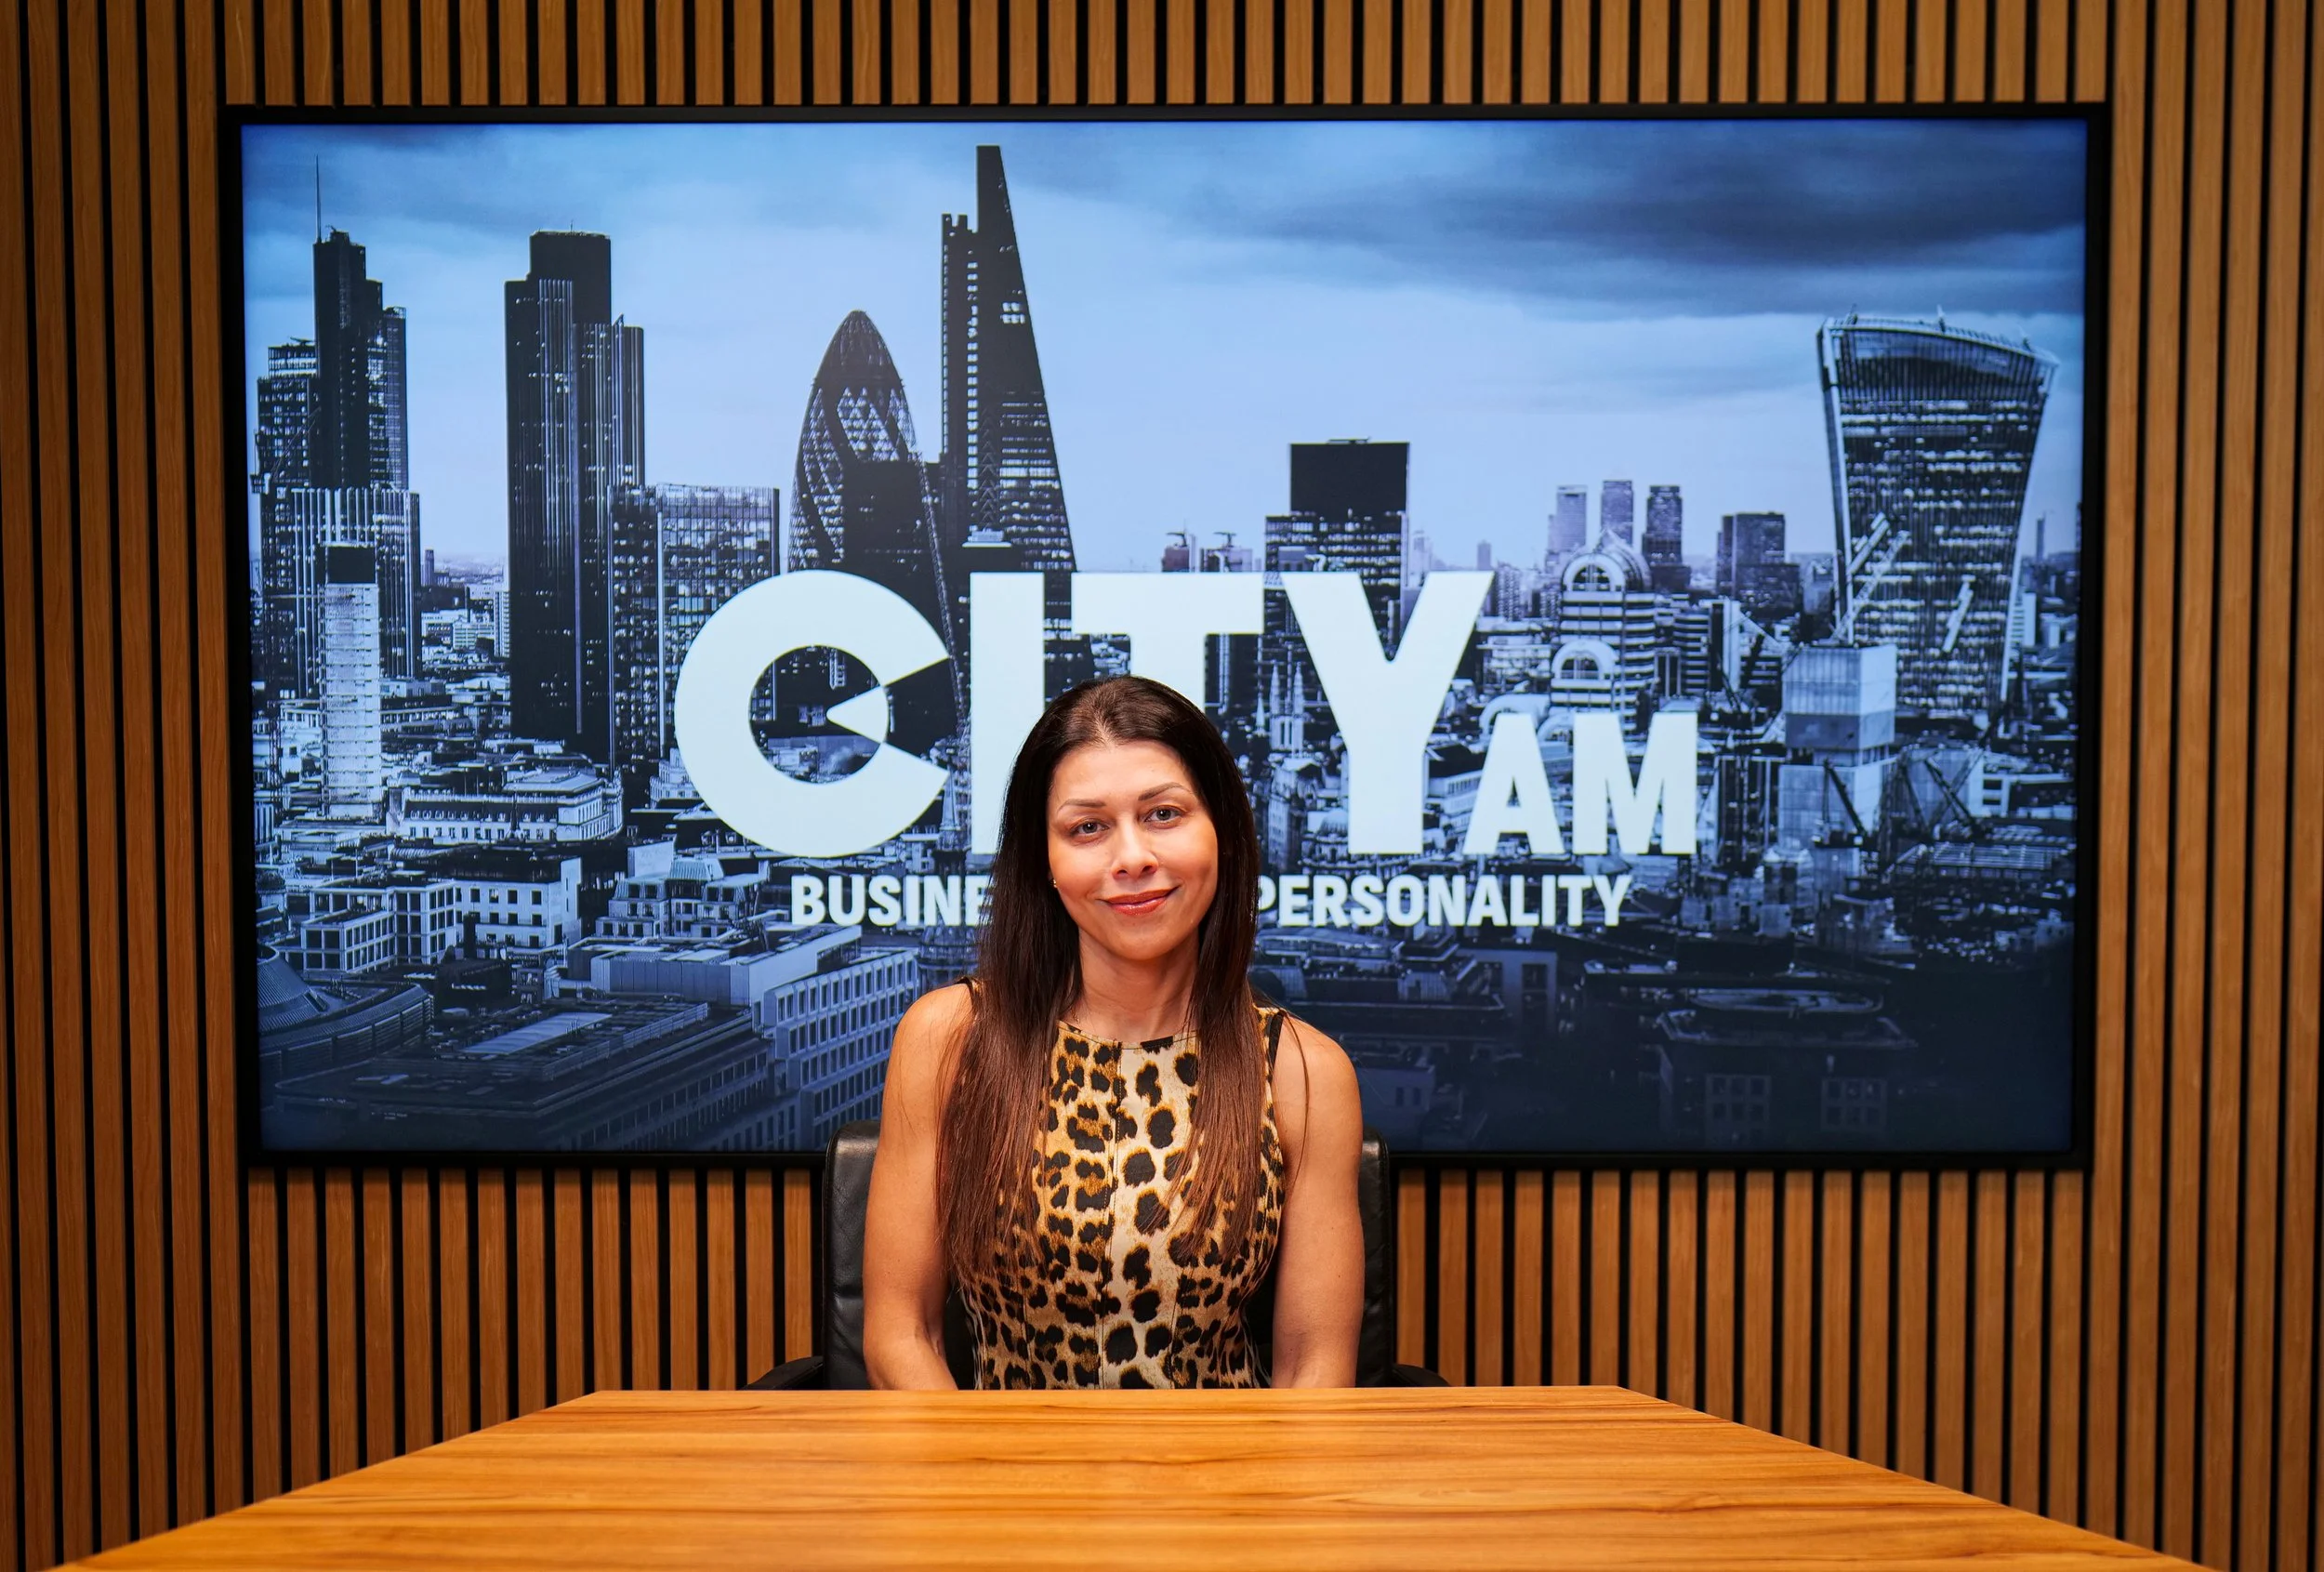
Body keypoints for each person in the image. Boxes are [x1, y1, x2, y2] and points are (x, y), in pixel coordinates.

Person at [863, 676, 1365, 1389]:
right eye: (1087, 827)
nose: (1131, 857)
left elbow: (1314, 1370)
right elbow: (899, 1333)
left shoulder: (1302, 1070)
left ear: (1219, 830)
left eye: (1163, 813)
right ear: (1046, 859)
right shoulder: (949, 1038)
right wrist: (973, 1486)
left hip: (1232, 1485)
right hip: (995, 1479)